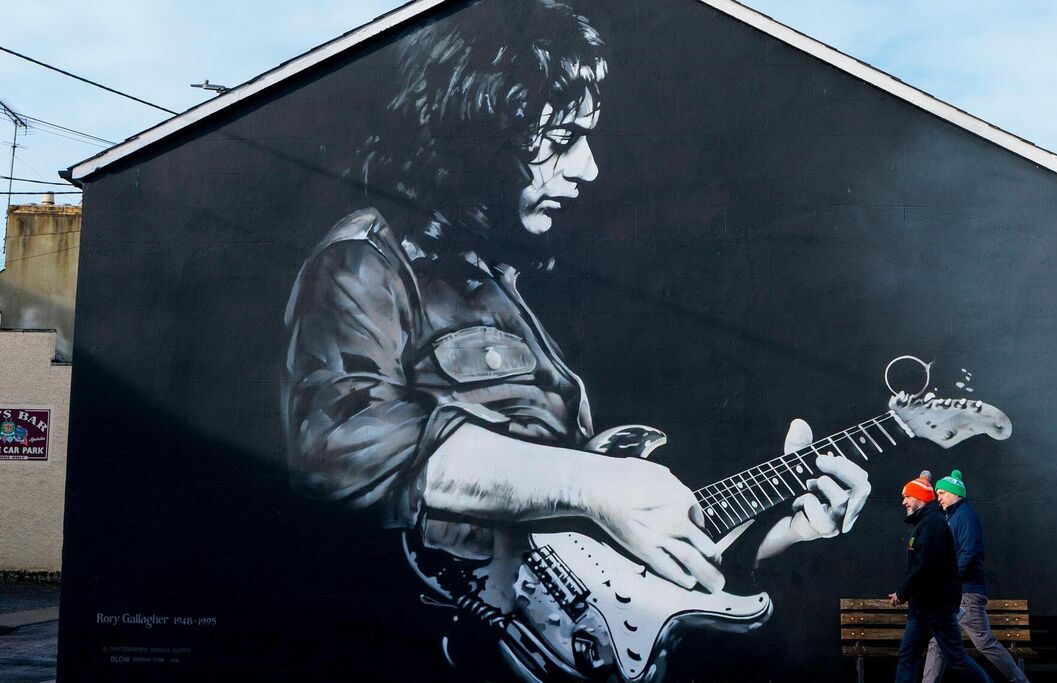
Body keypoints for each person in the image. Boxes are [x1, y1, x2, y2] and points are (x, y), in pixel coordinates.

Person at [282, 0, 869, 648]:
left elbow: (595, 560)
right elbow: (339, 445)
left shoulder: (501, 285)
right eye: (562, 140)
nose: (588, 167)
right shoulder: (366, 257)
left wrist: (785, 533)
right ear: (479, 134)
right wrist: (593, 482)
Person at [922, 470, 1029, 683]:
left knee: (983, 642)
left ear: (955, 493)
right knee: (938, 642)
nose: (939, 497)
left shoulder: (965, 516)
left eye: (942, 493)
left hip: (966, 595)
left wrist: (949, 580)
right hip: (958, 594)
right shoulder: (953, 516)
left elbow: (969, 553)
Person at [889, 471, 990, 683]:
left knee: (956, 659)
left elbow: (925, 565)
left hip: (937, 606)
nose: (904, 501)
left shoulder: (933, 524)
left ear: (919, 498)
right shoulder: (924, 523)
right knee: (908, 656)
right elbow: (919, 565)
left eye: (907, 496)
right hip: (922, 606)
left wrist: (902, 592)